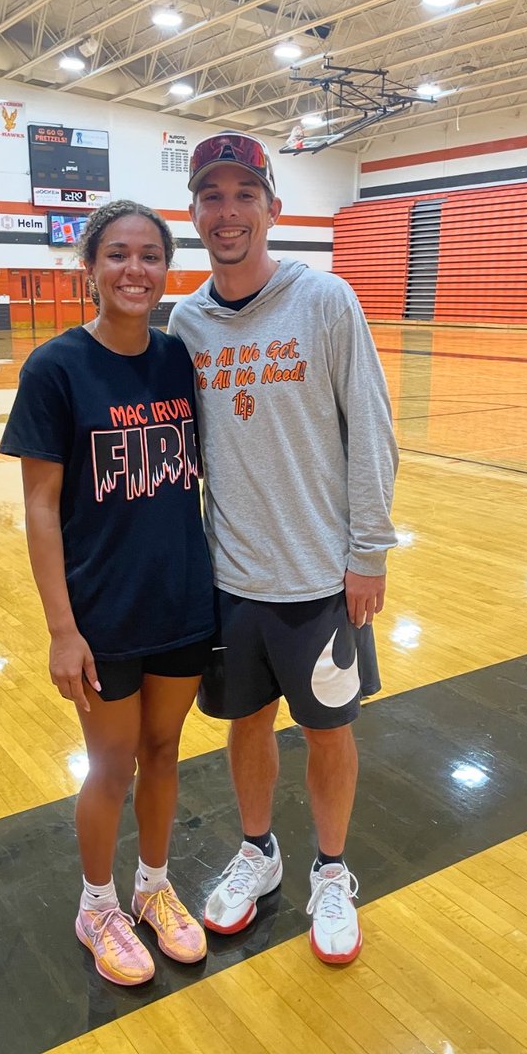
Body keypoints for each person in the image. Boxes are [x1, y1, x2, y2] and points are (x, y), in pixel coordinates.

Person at [168, 132, 398, 964]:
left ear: (274, 207)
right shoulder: (187, 320)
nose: (227, 212)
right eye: (211, 196)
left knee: (330, 732)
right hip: (232, 581)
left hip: (320, 579)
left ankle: (331, 873)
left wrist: (368, 551)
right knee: (246, 723)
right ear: (193, 212)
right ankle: (258, 853)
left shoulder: (327, 301)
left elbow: (371, 431)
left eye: (242, 194)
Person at [0, 200, 214, 986]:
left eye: (150, 256)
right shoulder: (55, 369)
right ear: (88, 266)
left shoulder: (179, 359)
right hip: (103, 611)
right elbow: (39, 507)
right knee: (111, 764)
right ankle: (97, 905)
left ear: (167, 269)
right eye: (117, 254)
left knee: (164, 751)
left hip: (183, 599)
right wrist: (62, 628)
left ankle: (154, 889)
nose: (135, 270)